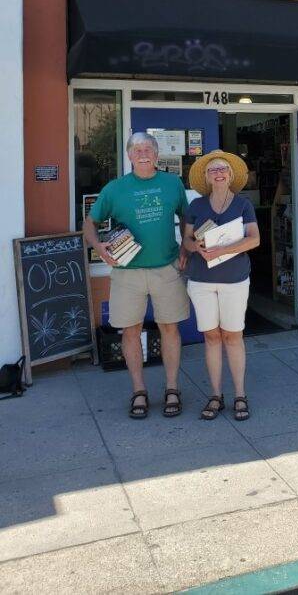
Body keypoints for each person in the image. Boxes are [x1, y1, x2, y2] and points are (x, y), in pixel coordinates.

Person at [83, 132, 189, 419]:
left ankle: (171, 388)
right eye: (137, 149)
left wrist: (186, 247)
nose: (143, 153)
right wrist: (98, 245)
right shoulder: (114, 189)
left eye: (148, 149)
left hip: (166, 269)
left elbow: (186, 216)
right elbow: (90, 223)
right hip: (126, 273)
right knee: (130, 331)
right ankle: (139, 390)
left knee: (169, 328)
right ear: (129, 155)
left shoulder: (172, 183)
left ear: (156, 154)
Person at [182, 150, 260, 421]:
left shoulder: (242, 204)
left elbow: (254, 239)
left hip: (234, 280)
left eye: (222, 169)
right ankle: (216, 394)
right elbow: (187, 241)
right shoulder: (197, 206)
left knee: (233, 336)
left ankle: (240, 394)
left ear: (231, 175)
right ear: (206, 177)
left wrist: (225, 249)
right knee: (212, 337)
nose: (218, 173)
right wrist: (198, 250)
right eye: (213, 170)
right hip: (202, 281)